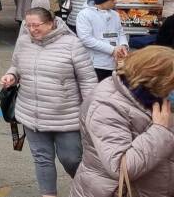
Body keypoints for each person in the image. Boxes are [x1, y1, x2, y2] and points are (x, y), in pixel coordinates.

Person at [0, 8, 96, 197]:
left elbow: (87, 80)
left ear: (51, 23)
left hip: (66, 116)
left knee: (71, 159)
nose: (31, 29)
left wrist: (91, 112)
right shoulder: (23, 41)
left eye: (36, 25)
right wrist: (11, 75)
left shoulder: (72, 44)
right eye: (28, 25)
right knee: (42, 159)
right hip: (31, 113)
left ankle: (89, 190)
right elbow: (16, 65)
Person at [70, 46, 174, 197]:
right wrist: (158, 131)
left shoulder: (156, 100)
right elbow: (121, 167)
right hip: (118, 191)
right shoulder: (107, 106)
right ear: (154, 80)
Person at [76, 0, 128, 81]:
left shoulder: (115, 14)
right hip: (96, 65)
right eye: (112, 0)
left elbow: (120, 33)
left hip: (115, 63)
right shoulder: (84, 15)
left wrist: (124, 46)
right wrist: (112, 50)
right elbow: (86, 39)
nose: (115, 2)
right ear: (102, 1)